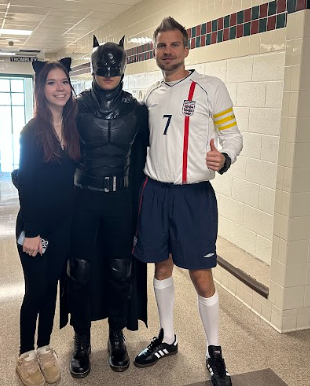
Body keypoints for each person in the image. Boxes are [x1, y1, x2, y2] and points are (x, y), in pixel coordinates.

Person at [132, 17, 243, 386]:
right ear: (154, 52)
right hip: (155, 193)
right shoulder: (150, 94)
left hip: (193, 196)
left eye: (174, 45)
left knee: (200, 275)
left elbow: (233, 135)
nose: (167, 51)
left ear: (186, 48)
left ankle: (214, 352)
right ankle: (167, 337)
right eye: (161, 46)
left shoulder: (210, 88)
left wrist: (224, 158)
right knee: (160, 267)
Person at [66, 36, 149, 378]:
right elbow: (56, 147)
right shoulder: (77, 106)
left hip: (119, 200)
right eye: (103, 71)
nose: (108, 76)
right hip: (84, 197)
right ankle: (81, 339)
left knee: (120, 270)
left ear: (123, 70)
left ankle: (117, 335)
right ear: (94, 70)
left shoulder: (137, 109)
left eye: (114, 71)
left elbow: (152, 154)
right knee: (80, 270)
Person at [15, 58, 80, 386]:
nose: (59, 88)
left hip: (63, 224)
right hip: (35, 225)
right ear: (41, 89)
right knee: (36, 292)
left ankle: (45, 348)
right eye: (52, 82)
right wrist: (31, 231)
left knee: (53, 289)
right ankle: (26, 354)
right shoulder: (32, 131)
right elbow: (25, 182)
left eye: (64, 82)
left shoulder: (72, 127)